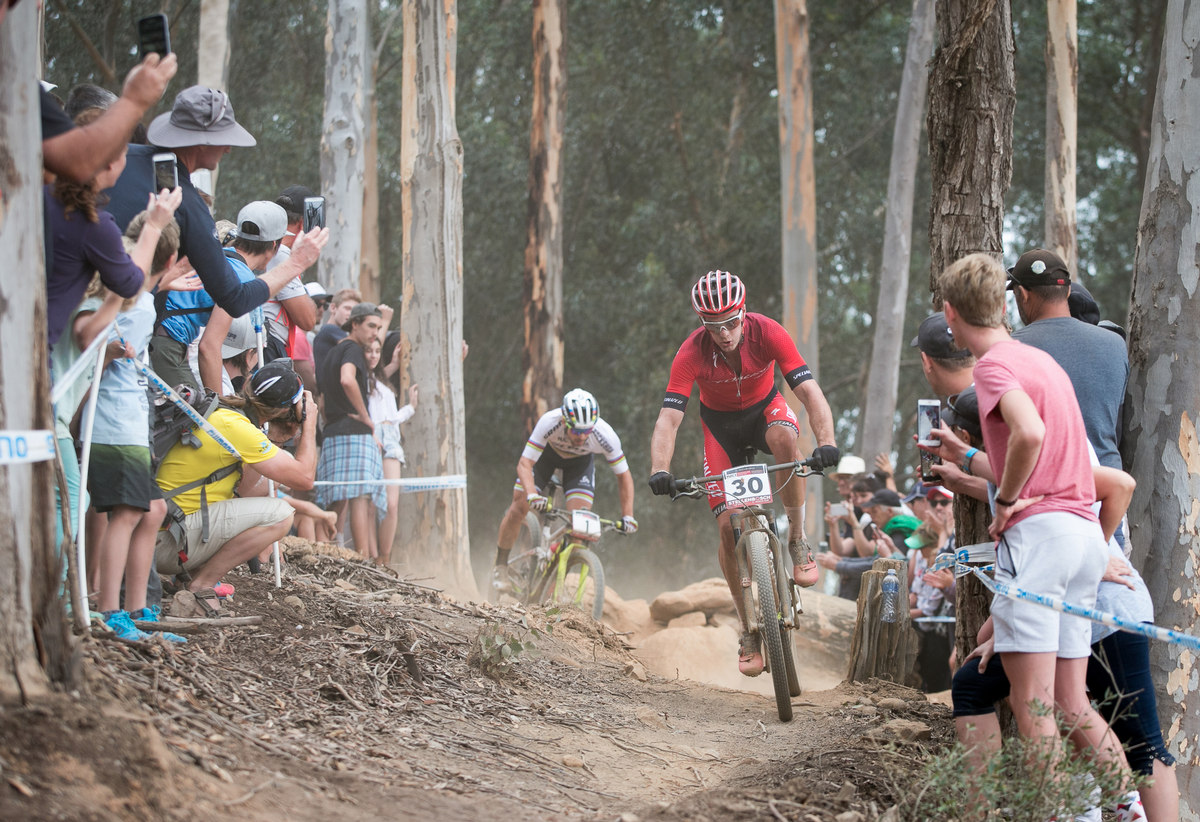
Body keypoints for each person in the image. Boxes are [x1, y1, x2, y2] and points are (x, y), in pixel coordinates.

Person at [932, 253, 1139, 810]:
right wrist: (974, 459)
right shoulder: (1041, 362)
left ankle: (1066, 814)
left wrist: (1003, 502)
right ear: (1002, 302)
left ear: (951, 313)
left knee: (1035, 708)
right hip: (1080, 538)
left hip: (1040, 541)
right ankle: (1126, 809)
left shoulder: (995, 366)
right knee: (1072, 705)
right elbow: (1067, 460)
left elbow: (1029, 433)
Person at [648, 270, 839, 677]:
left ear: (744, 312)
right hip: (720, 430)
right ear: (702, 324)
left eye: (732, 322)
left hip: (764, 411)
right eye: (713, 326)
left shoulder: (768, 333)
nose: (725, 333)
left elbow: (809, 392)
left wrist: (826, 443)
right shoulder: (691, 353)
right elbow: (669, 419)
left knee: (788, 441)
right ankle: (747, 628)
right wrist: (659, 470)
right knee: (725, 528)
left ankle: (797, 539)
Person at [105, 85, 330, 319]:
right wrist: (296, 263)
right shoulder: (189, 207)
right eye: (224, 139)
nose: (229, 149)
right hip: (116, 333)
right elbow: (235, 298)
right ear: (203, 141)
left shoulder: (115, 157)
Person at [74, 216, 184, 643]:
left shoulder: (140, 299)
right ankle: (112, 610)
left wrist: (163, 283)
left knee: (150, 510)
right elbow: (89, 353)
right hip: (113, 422)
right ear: (171, 257)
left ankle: (139, 610)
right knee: (125, 514)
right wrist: (113, 352)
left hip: (132, 421)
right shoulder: (124, 301)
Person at [154, 360, 317, 615]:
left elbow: (247, 489)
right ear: (283, 409)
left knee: (258, 495)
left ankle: (187, 577)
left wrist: (276, 436)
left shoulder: (226, 412)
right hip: (165, 544)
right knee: (280, 515)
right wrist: (309, 426)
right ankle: (202, 585)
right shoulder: (238, 428)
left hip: (160, 533)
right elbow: (305, 478)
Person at [44, 106, 182, 349]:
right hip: (36, 351)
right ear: (110, 163)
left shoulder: (42, 196)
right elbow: (130, 285)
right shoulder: (92, 225)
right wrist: (153, 225)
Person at [492, 388, 637, 591]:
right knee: (519, 506)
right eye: (577, 431)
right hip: (545, 459)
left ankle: (549, 583)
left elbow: (623, 476)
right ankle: (500, 565)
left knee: (580, 527)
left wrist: (628, 516)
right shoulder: (549, 422)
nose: (581, 436)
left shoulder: (605, 435)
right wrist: (533, 494)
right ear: (564, 422)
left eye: (587, 431)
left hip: (579, 466)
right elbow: (524, 464)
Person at [1008, 248, 1129, 473]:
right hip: (1109, 488)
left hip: (1048, 490)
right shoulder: (1116, 344)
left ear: (1023, 295)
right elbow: (1119, 426)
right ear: (1067, 291)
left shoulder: (1010, 349)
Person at [198, 201, 323, 392]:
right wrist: (218, 406)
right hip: (184, 353)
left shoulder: (223, 259)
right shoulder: (240, 275)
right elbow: (208, 346)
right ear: (274, 245)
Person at [314, 302, 389, 558]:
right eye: (371, 325)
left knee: (336, 499)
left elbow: (322, 400)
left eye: (379, 327)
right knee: (359, 496)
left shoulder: (333, 353)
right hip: (355, 431)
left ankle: (329, 554)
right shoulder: (353, 350)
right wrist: (366, 417)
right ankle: (361, 560)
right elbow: (348, 379)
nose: (375, 332)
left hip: (333, 431)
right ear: (354, 324)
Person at [364, 337, 418, 567]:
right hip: (372, 434)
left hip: (392, 437)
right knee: (370, 503)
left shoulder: (382, 381)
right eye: (369, 351)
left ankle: (384, 557)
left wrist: (410, 409)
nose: (374, 355)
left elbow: (392, 415)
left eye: (377, 351)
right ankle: (372, 556)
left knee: (391, 504)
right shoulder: (360, 379)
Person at [312, 289, 361, 393]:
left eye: (354, 311)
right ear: (333, 308)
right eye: (347, 308)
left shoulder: (336, 332)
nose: (350, 314)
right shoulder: (330, 329)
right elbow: (359, 350)